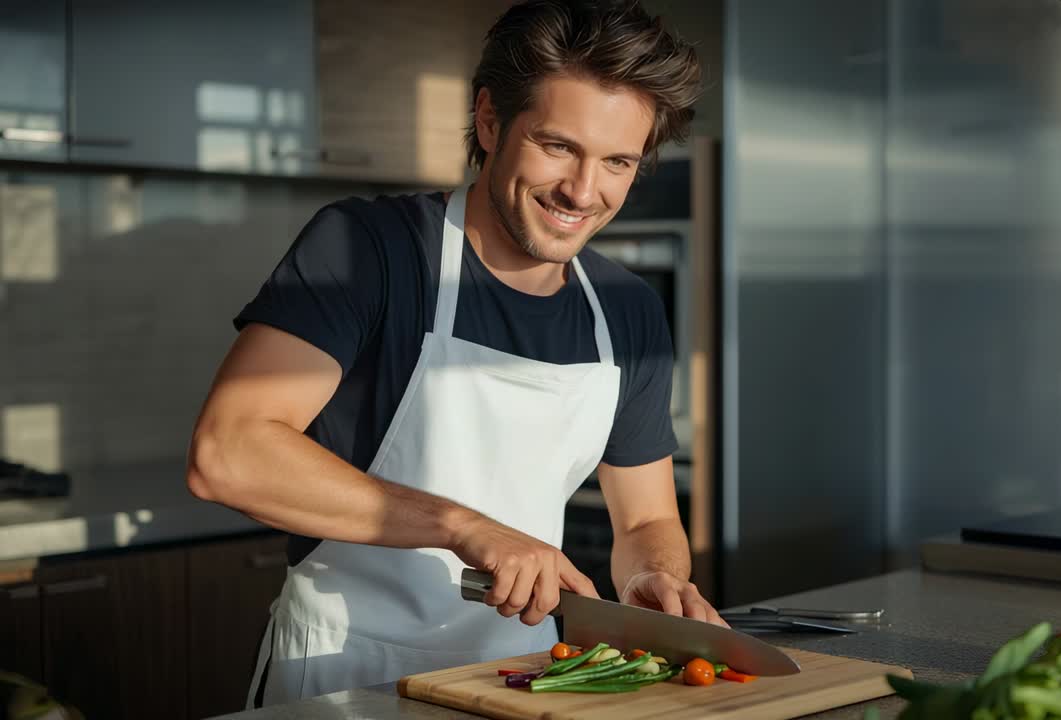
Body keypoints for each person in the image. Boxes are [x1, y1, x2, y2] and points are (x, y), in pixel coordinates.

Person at [184, 0, 720, 708]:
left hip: (525, 679)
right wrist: (465, 527)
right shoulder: (365, 251)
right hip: (341, 676)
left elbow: (647, 521)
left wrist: (650, 577)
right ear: (491, 120)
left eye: (617, 161)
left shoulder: (626, 310)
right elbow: (229, 453)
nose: (584, 192)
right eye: (559, 146)